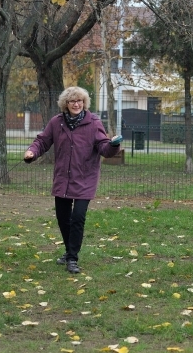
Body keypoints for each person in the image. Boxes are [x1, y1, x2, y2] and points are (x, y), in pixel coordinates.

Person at [23, 86, 122, 274]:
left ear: (84, 103)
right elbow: (42, 141)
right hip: (63, 178)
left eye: (79, 101)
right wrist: (32, 152)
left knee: (78, 217)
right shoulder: (56, 122)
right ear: (65, 104)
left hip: (85, 178)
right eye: (72, 101)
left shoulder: (93, 122)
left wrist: (113, 145)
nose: (76, 104)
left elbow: (103, 147)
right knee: (63, 218)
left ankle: (72, 259)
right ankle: (69, 251)